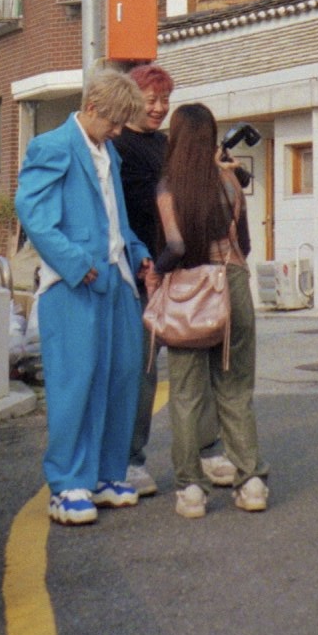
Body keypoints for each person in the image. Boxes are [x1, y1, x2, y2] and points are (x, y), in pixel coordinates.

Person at [15, 66, 156, 525]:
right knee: (75, 383)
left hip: (115, 280)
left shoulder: (106, 151)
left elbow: (118, 219)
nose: (118, 132)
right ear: (91, 108)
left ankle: (106, 475)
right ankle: (68, 484)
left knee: (121, 376)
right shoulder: (51, 146)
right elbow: (34, 217)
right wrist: (78, 263)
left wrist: (137, 254)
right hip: (73, 285)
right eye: (113, 122)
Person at [116, 63, 235, 496]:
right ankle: (130, 461)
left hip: (180, 271)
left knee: (196, 364)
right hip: (140, 273)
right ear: (130, 100)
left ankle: (207, 450)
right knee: (142, 372)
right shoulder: (116, 147)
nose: (159, 108)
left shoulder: (168, 145)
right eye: (151, 100)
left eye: (165, 100)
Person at [154, 102, 268, 517]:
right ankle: (251, 481)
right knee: (235, 388)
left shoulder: (169, 185)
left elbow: (176, 246)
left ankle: (191, 491)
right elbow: (247, 245)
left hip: (190, 291)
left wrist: (156, 272)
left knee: (185, 394)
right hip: (232, 285)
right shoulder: (230, 182)